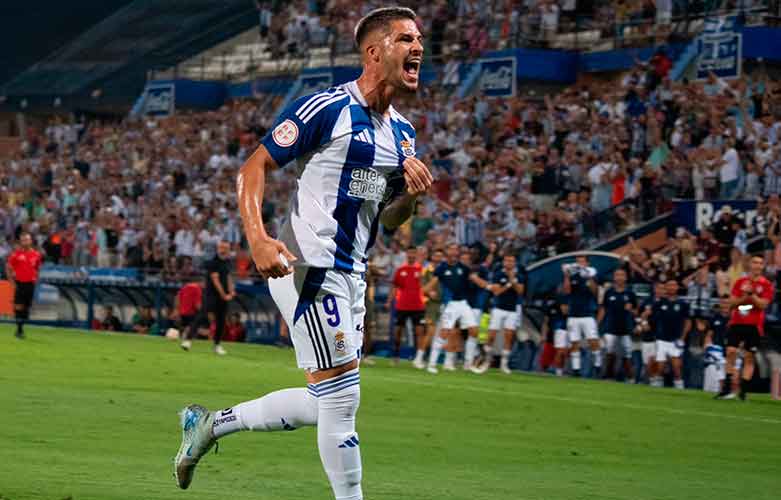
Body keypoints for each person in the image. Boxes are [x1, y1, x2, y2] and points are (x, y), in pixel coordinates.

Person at [173, 9, 431, 500]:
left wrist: (411, 195)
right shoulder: (327, 108)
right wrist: (257, 238)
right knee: (344, 399)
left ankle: (208, 425)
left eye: (420, 39)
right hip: (307, 267)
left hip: (351, 276)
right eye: (406, 39)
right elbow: (253, 167)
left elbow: (393, 221)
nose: (418, 46)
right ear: (375, 52)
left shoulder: (403, 135)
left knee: (325, 400)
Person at [716, 254, 774, 400]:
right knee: (730, 351)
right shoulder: (740, 282)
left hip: (754, 326)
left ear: (763, 266)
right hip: (737, 322)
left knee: (749, 357)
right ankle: (728, 388)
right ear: (750, 264)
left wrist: (751, 294)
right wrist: (746, 299)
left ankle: (743, 391)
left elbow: (763, 305)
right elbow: (732, 303)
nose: (757, 266)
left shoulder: (766, 284)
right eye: (755, 262)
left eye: (760, 263)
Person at [423, 243, 483, 373]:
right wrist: (425, 291)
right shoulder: (442, 268)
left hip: (463, 303)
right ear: (447, 252)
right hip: (449, 305)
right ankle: (431, 364)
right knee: (444, 333)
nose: (454, 251)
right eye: (451, 249)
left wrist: (488, 286)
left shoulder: (463, 268)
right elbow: (430, 285)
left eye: (456, 249)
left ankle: (468, 364)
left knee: (474, 330)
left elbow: (475, 279)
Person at [473, 254, 524, 374]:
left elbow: (520, 291)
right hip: (498, 308)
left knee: (509, 336)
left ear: (515, 263)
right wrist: (508, 285)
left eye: (511, 261)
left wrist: (512, 281)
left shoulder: (519, 276)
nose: (509, 263)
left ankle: (504, 364)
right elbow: (496, 292)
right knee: (491, 336)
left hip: (512, 310)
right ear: (504, 262)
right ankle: (486, 361)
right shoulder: (498, 274)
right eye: (507, 260)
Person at [181, 240, 235, 355]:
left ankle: (217, 345)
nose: (223, 250)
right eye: (221, 247)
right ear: (218, 248)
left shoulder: (229, 262)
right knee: (201, 316)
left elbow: (229, 277)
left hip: (224, 297)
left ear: (229, 249)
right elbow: (215, 280)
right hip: (211, 295)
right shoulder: (212, 262)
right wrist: (224, 295)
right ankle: (188, 340)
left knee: (221, 322)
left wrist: (231, 291)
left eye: (225, 248)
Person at [563, 255, 600, 377]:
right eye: (578, 261)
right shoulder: (573, 276)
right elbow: (567, 291)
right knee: (574, 342)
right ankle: (576, 370)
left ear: (587, 263)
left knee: (593, 341)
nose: (579, 263)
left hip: (588, 314)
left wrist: (589, 277)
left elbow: (595, 292)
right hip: (574, 314)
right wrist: (567, 276)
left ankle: (597, 366)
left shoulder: (592, 275)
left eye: (582, 261)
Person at [387, 247, 425, 365]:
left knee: (419, 332)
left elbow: (426, 284)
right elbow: (395, 287)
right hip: (402, 305)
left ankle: (418, 358)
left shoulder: (422, 269)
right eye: (409, 253)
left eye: (413, 253)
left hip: (418, 305)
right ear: (406, 254)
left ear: (416, 254)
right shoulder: (400, 269)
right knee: (398, 332)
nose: (411, 255)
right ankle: (396, 355)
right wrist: (389, 301)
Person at [651, 279, 691, 389]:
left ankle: (679, 387)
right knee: (660, 366)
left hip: (676, 340)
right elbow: (652, 319)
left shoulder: (683, 304)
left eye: (674, 285)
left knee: (676, 367)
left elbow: (688, 321)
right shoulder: (659, 303)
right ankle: (656, 387)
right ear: (666, 288)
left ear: (677, 287)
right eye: (669, 285)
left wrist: (682, 337)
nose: (672, 287)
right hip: (662, 339)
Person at [598, 268, 637, 381]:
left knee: (627, 356)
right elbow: (603, 309)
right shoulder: (608, 292)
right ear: (614, 277)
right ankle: (609, 377)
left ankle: (631, 379)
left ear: (625, 277)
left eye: (622, 275)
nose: (619, 277)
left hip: (625, 329)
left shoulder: (630, 293)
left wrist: (631, 310)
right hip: (610, 327)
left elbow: (636, 311)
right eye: (617, 275)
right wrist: (598, 324)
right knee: (610, 353)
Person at [5, 233, 42, 339]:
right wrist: (12, 282)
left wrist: (36, 279)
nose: (25, 242)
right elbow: (8, 267)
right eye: (23, 240)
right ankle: (19, 330)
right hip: (19, 283)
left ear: (30, 241)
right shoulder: (15, 254)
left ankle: (20, 327)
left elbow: (37, 268)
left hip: (30, 284)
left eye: (27, 240)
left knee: (26, 308)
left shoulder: (36, 254)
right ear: (20, 242)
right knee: (18, 306)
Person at [415, 247, 444, 369]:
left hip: (442, 303)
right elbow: (421, 287)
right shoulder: (427, 270)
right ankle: (419, 358)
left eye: (440, 256)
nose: (438, 258)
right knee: (430, 332)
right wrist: (427, 293)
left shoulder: (443, 269)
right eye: (436, 256)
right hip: (430, 304)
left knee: (438, 333)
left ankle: (425, 358)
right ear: (432, 257)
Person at [175, 280, 202, 346]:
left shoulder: (184, 287)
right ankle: (186, 340)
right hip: (191, 312)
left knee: (185, 326)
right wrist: (202, 311)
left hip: (182, 311)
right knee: (192, 325)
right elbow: (197, 304)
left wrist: (177, 309)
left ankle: (182, 338)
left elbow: (177, 297)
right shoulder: (197, 288)